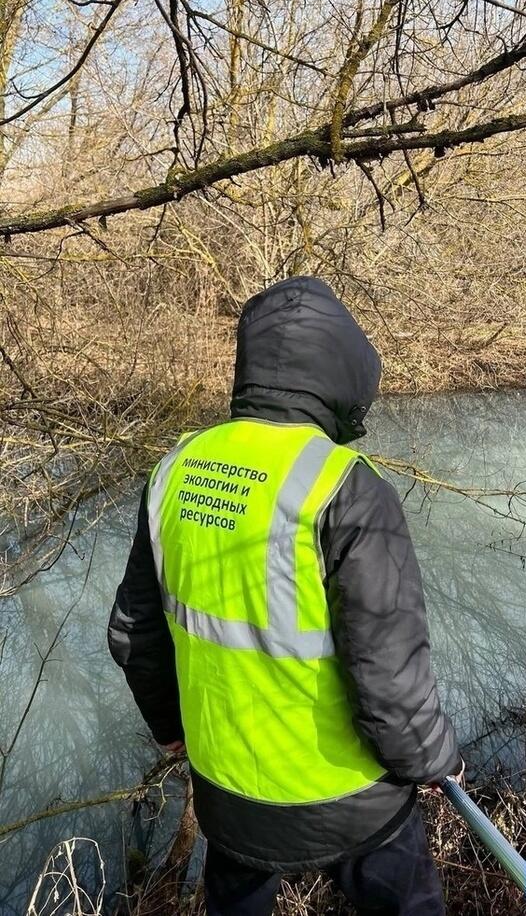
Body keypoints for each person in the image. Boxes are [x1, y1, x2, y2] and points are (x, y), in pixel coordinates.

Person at [108, 275, 462, 916]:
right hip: (353, 804)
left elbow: (133, 633)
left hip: (229, 800)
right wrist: (431, 759)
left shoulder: (174, 470)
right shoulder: (347, 487)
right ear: (342, 372)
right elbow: (388, 670)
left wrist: (171, 734)